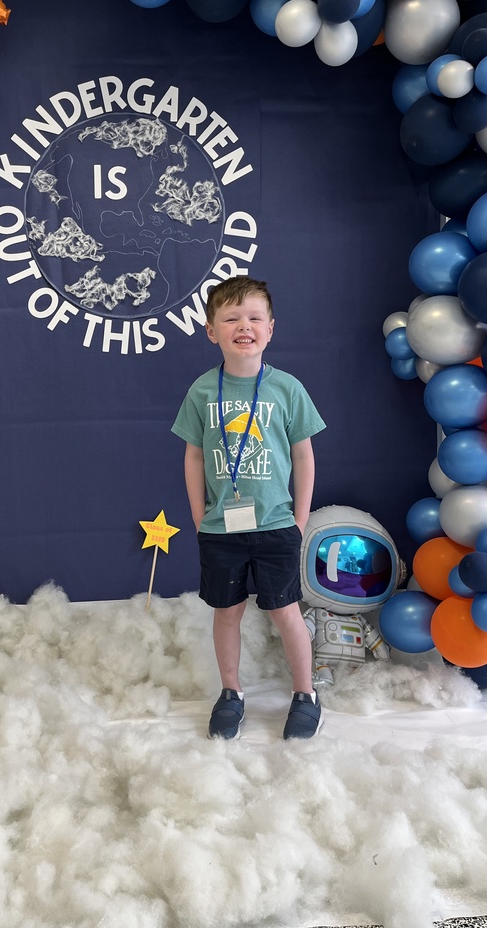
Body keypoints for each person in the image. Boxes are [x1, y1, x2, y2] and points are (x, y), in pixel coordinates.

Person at [171, 275, 326, 741]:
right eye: (231, 318)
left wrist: (299, 519)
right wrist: (200, 518)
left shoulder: (287, 389)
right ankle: (232, 693)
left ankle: (305, 693)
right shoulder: (202, 391)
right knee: (227, 612)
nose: (244, 325)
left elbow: (303, 455)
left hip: (277, 525)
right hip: (221, 529)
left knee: (286, 612)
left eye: (255, 317)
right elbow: (194, 456)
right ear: (211, 330)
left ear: (271, 329)